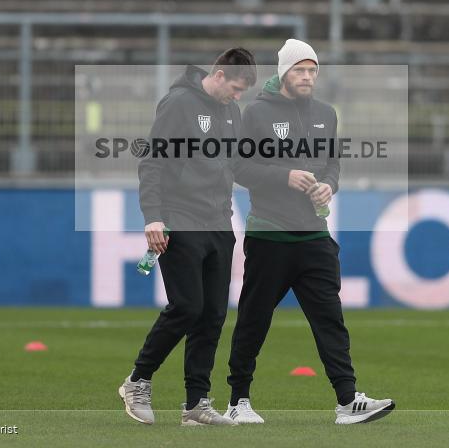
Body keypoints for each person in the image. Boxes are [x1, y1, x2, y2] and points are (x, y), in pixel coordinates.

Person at [224, 39, 395, 425]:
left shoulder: (325, 114)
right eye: (300, 70)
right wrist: (284, 176)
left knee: (330, 319)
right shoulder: (256, 113)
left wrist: (328, 186)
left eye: (312, 70)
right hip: (270, 235)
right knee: (254, 320)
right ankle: (238, 401)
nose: (307, 77)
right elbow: (239, 168)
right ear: (284, 72)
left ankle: (347, 401)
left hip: (314, 235)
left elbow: (333, 164)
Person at [118, 48, 256, 426]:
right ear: (218, 74)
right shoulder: (178, 103)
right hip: (180, 217)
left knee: (212, 315)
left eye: (242, 92)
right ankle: (137, 381)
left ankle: (196, 404)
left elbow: (235, 165)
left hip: (219, 222)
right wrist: (153, 217)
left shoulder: (231, 111)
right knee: (187, 306)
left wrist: (282, 179)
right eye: (236, 88)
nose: (237, 96)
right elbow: (152, 162)